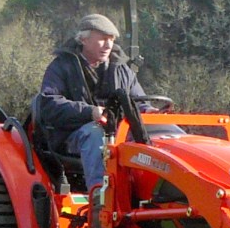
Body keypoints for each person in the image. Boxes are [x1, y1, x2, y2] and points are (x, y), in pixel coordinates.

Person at [38, 13, 149, 191]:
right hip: (73, 134)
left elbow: (138, 101)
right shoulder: (62, 67)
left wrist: (151, 112)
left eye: (111, 39)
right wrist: (90, 112)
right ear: (83, 39)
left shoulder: (122, 69)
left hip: (117, 131)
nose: (108, 45)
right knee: (95, 135)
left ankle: (154, 195)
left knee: (162, 132)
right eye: (102, 39)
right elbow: (49, 105)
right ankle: (101, 200)